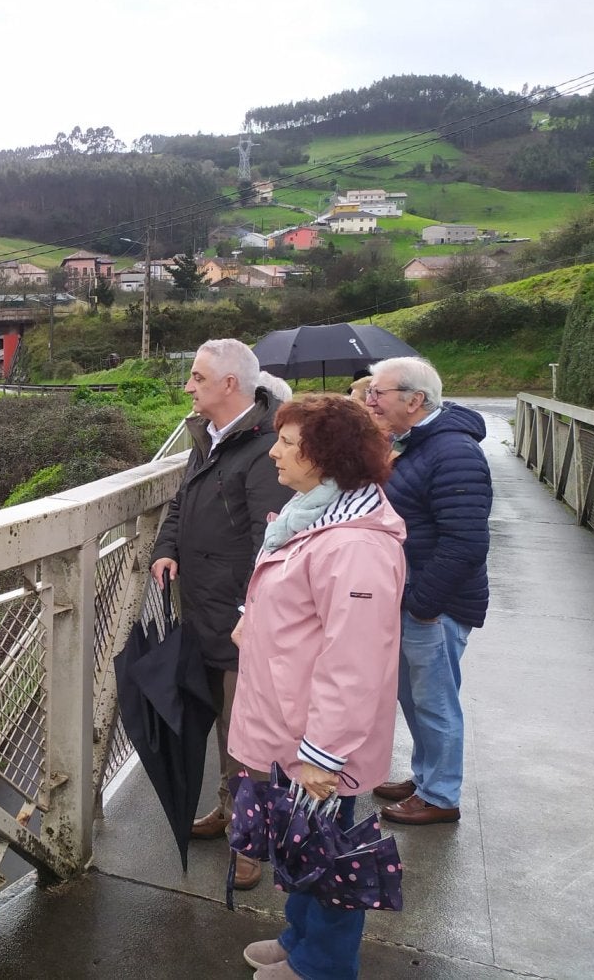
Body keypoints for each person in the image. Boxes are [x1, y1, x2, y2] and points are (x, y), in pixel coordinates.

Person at [229, 395, 407, 980]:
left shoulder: (355, 544)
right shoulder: (313, 514)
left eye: (286, 441)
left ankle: (323, 966)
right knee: (303, 842)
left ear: (326, 455)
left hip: (320, 734)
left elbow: (355, 661)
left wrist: (323, 755)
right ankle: (298, 940)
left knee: (331, 858)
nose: (274, 450)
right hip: (294, 717)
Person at [150, 338, 292, 890]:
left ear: (230, 384)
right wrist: (166, 547)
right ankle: (231, 811)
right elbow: (183, 503)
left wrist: (249, 610)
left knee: (247, 734)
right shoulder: (207, 439)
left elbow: (271, 540)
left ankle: (252, 842)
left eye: (197, 377)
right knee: (222, 727)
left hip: (238, 617)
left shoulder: (266, 447)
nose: (189, 386)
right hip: (202, 610)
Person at [365, 356, 492, 825]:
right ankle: (426, 777)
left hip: (434, 605)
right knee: (416, 697)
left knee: (435, 701)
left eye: (378, 393)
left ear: (414, 401)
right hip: (418, 599)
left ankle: (440, 795)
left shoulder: (453, 451)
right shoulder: (417, 444)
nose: (369, 400)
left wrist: (421, 606)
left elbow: (467, 543)